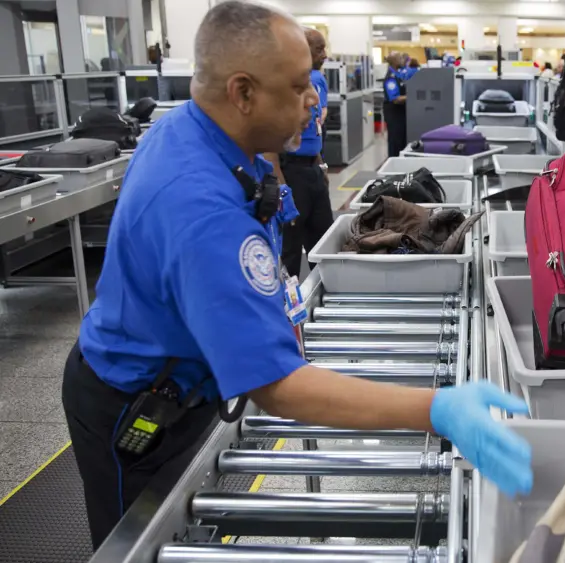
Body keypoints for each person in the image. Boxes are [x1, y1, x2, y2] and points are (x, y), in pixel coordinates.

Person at [62, 1, 532, 551]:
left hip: (187, 377)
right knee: (139, 541)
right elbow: (277, 385)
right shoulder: (199, 208)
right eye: (298, 86)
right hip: (137, 404)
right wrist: (436, 409)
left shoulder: (208, 136)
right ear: (243, 92)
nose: (314, 99)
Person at [264, 27, 333, 279]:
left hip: (311, 170)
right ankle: (289, 309)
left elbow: (313, 132)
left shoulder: (312, 83)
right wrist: (282, 188)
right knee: (291, 247)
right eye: (318, 49)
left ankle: (326, 296)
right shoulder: (282, 87)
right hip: (290, 172)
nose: (324, 54)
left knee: (324, 239)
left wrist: (321, 165)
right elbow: (270, 147)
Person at [382, 52, 408, 157]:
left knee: (401, 142)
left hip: (400, 115)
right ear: (394, 61)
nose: (403, 59)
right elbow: (395, 99)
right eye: (400, 57)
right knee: (395, 143)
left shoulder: (398, 74)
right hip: (394, 115)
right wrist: (413, 97)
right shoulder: (391, 78)